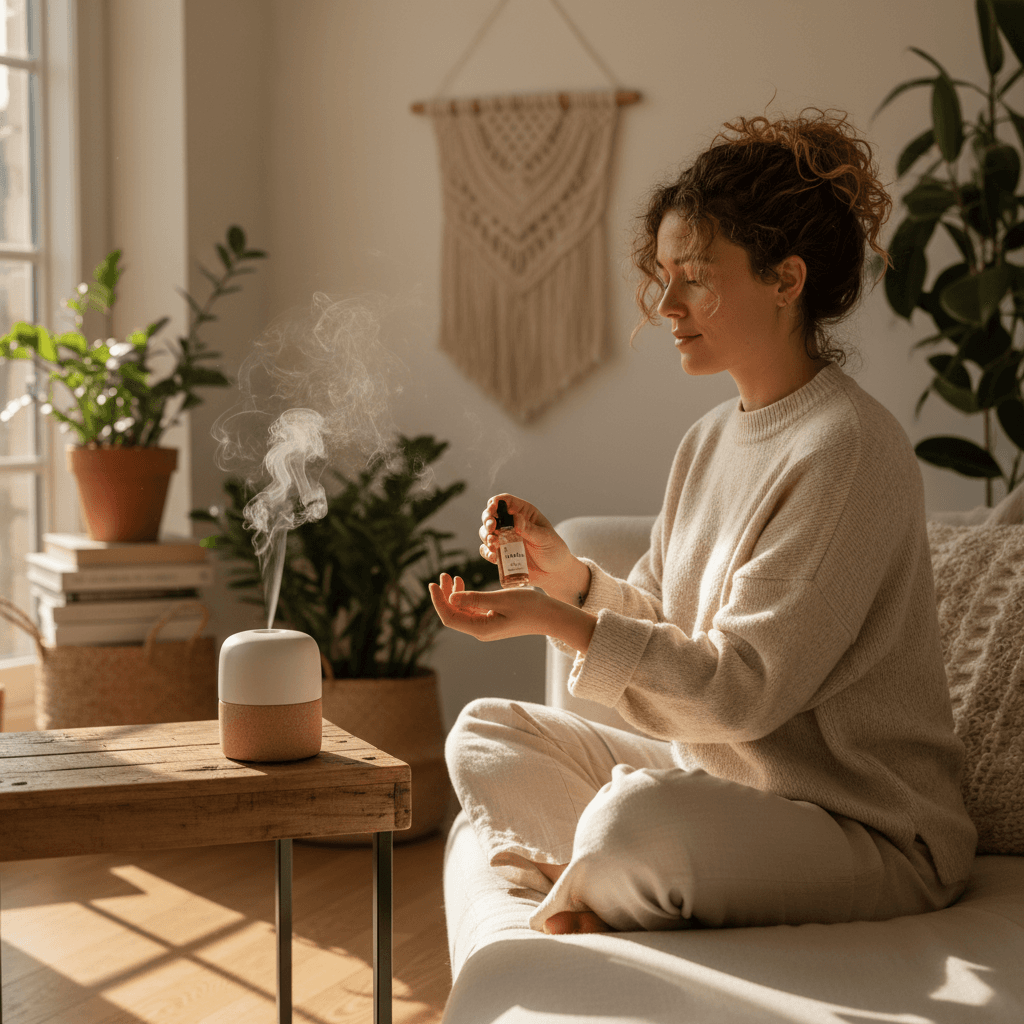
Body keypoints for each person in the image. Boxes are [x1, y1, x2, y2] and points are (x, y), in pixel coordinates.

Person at [429, 109, 977, 937]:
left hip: (866, 829)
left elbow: (740, 691)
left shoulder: (849, 448)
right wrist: (567, 578)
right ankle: (597, 876)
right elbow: (665, 616)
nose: (666, 304)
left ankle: (600, 865)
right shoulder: (710, 439)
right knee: (488, 731)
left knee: (637, 821)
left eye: (693, 274)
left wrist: (563, 625)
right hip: (729, 789)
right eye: (663, 273)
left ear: (785, 279)